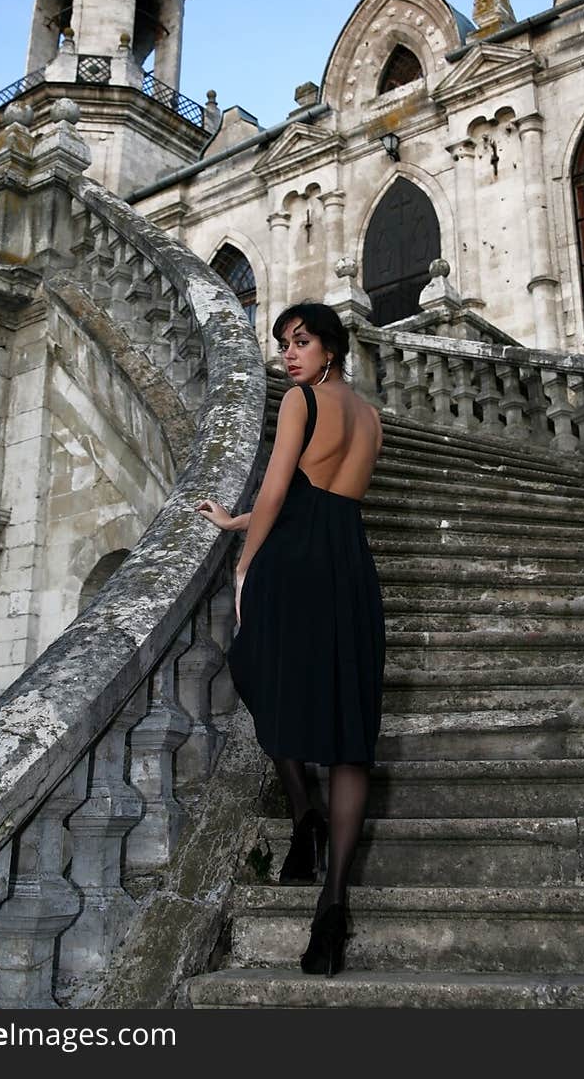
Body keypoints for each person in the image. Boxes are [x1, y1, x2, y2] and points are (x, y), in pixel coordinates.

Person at [195, 301, 384, 976]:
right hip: (349, 562)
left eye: (301, 342)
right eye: (284, 345)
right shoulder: (369, 415)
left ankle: (305, 816)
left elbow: (282, 487)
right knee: (347, 720)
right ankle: (332, 902)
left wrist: (244, 562)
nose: (289, 356)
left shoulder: (301, 401)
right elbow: (321, 492)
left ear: (329, 347)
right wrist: (235, 520)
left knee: (255, 671)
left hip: (293, 564)